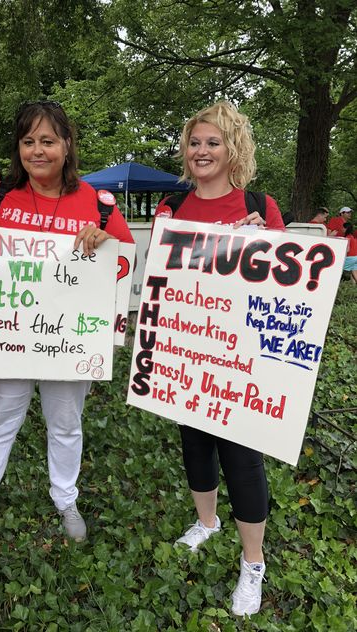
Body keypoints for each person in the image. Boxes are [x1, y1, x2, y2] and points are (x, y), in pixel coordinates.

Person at [0, 101, 134, 560]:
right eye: (28, 142)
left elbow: (124, 262)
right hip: (8, 337)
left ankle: (66, 500)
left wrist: (107, 243)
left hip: (67, 342)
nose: (38, 151)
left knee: (65, 425)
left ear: (67, 145)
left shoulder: (97, 203)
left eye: (48, 141)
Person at [154, 101, 285, 617]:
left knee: (242, 456)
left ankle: (253, 562)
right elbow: (160, 279)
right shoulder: (170, 207)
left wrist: (267, 244)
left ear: (233, 148)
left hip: (242, 355)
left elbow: (286, 289)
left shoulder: (260, 204)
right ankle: (206, 522)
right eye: (194, 142)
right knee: (194, 441)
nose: (201, 151)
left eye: (213, 142)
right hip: (188, 348)